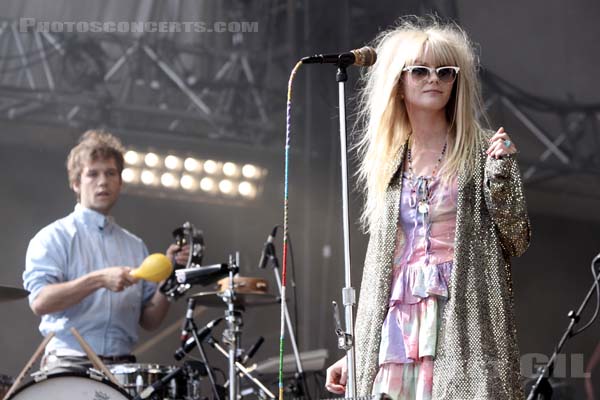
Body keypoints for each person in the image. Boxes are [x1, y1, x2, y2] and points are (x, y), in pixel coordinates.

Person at [325, 17, 531, 400]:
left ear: (457, 82)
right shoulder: (387, 159)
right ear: (398, 83)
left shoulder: (484, 150)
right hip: (398, 317)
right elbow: (378, 265)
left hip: (463, 310)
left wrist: (501, 176)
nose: (433, 79)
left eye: (445, 72)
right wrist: (353, 352)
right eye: (419, 70)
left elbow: (516, 240)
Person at [23, 130, 188, 369]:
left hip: (122, 368)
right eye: (93, 174)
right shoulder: (52, 237)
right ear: (76, 184)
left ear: (120, 183)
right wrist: (99, 279)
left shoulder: (135, 245)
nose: (103, 181)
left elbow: (150, 320)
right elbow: (40, 301)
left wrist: (170, 277)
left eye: (111, 173)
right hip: (68, 364)